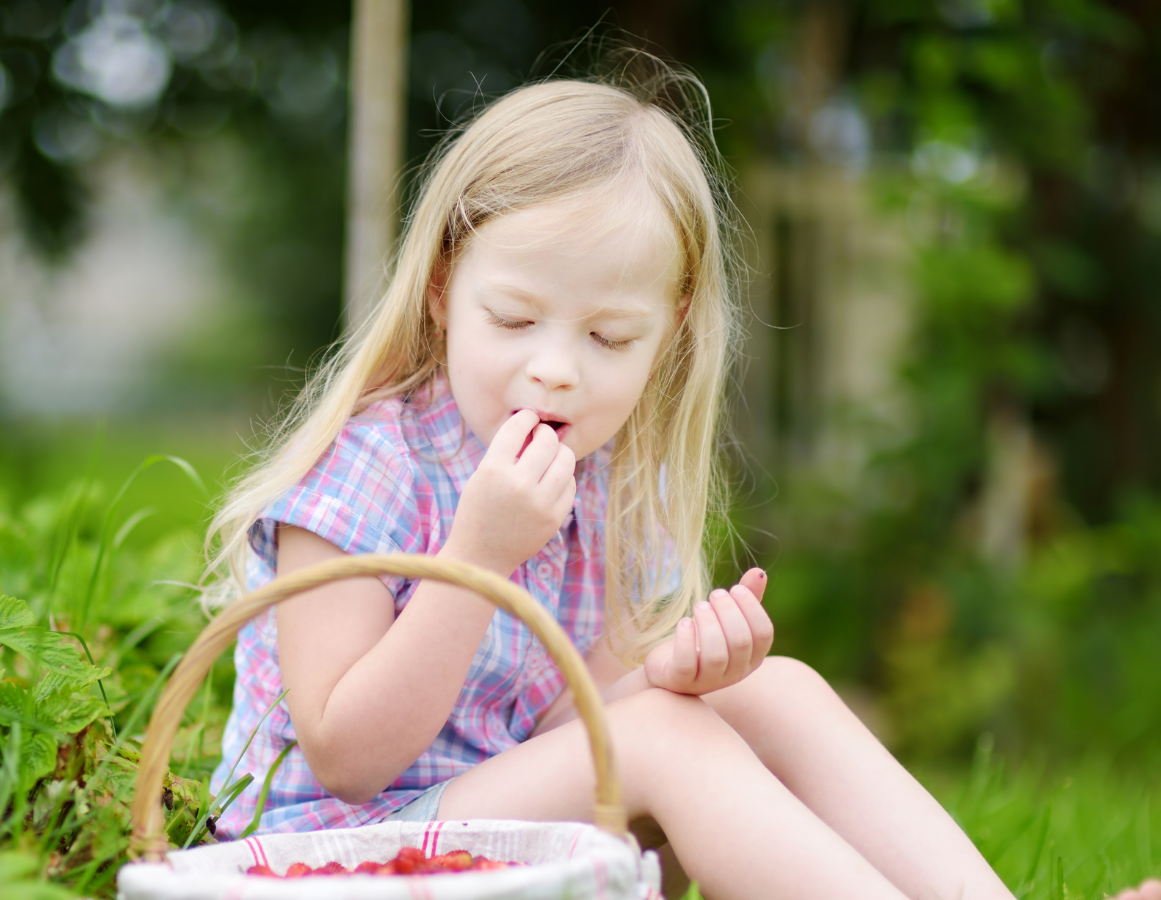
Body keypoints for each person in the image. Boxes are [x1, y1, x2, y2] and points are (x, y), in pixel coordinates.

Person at [200, 66, 1160, 900]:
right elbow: (347, 756)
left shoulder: (614, 488)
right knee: (660, 741)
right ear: (447, 288)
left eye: (609, 337)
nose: (556, 369)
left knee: (770, 692)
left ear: (671, 331)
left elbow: (565, 728)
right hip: (328, 860)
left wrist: (676, 679)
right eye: (515, 319)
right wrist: (476, 557)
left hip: (493, 830)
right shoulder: (373, 466)